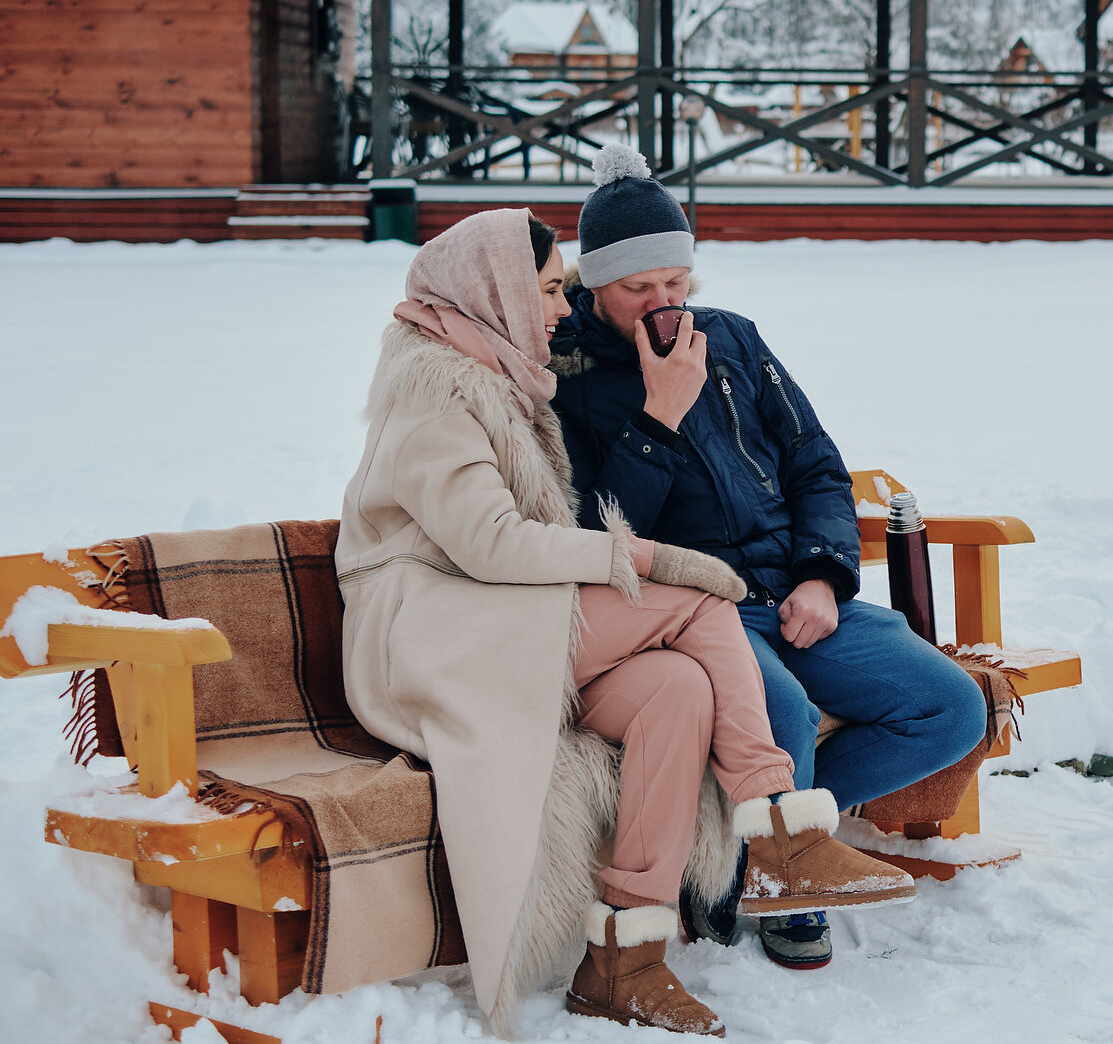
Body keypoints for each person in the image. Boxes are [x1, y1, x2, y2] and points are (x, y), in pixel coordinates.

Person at [335, 207, 916, 1039]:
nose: (560, 308)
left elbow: (806, 463)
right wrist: (651, 560)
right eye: (545, 289)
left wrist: (808, 571)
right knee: (704, 600)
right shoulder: (440, 394)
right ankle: (779, 828)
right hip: (432, 645)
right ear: (494, 292)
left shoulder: (507, 373)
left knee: (675, 691)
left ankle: (623, 960)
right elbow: (491, 542)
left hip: (505, 627)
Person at [550, 145, 986, 969]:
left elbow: (815, 464)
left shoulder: (735, 341)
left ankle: (762, 846)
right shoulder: (568, 380)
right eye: (638, 288)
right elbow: (598, 533)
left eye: (676, 282)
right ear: (594, 286)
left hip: (793, 587)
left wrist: (823, 576)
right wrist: (657, 418)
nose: (663, 303)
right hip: (691, 607)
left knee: (951, 710)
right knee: (780, 712)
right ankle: (788, 878)